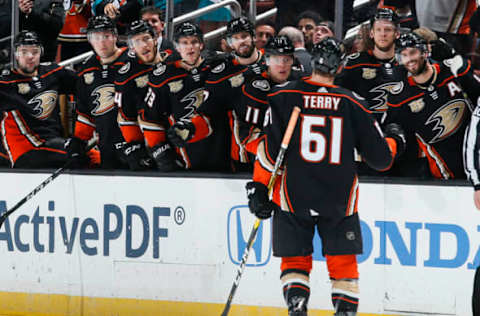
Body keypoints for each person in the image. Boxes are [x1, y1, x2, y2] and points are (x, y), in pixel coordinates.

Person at [245, 37, 400, 316]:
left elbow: (268, 156)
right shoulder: (354, 103)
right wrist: (395, 141)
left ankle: (297, 308)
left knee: (295, 262)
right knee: (343, 264)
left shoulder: (283, 97)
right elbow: (381, 160)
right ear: (339, 67)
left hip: (293, 195)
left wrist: (258, 188)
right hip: (339, 197)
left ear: (310, 62)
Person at [169, 17, 265, 172]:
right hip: (243, 156)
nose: (241, 41)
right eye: (235, 38)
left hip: (281, 146)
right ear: (229, 42)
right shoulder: (220, 73)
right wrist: (191, 128)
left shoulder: (276, 61)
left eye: (244, 36)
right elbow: (208, 112)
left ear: (253, 36)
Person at [387, 32, 480, 179]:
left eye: (413, 52)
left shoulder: (452, 70)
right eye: (404, 55)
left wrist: (462, 69)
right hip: (444, 172)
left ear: (425, 51)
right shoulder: (398, 97)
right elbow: (397, 132)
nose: (410, 59)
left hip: (475, 153)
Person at [141, 22, 218, 171]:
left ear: (201, 45)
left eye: (194, 42)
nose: (190, 47)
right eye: (184, 43)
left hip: (219, 146)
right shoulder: (164, 76)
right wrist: (159, 150)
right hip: (185, 152)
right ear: (176, 47)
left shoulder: (216, 68)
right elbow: (150, 117)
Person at [0, 30, 77, 168]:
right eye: (24, 52)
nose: (30, 56)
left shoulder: (52, 73)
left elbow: (85, 86)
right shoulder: (6, 83)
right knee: (77, 155)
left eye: (34, 52)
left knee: (95, 157)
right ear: (16, 54)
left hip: (54, 143)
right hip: (27, 150)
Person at [68, 15, 129, 169]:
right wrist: (79, 141)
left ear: (115, 36)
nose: (101, 42)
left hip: (136, 144)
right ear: (89, 40)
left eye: (106, 36)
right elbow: (85, 113)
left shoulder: (134, 60)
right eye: (96, 37)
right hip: (107, 145)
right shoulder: (86, 70)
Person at [115, 19, 173, 171]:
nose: (143, 45)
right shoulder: (126, 76)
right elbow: (125, 117)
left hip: (179, 132)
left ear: (155, 40)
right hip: (150, 140)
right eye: (137, 41)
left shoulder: (174, 61)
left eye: (146, 38)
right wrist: (136, 146)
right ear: (132, 47)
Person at [335, 8, 401, 122]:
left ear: (397, 34)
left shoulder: (407, 64)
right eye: (378, 30)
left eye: (388, 30)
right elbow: (339, 95)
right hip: (364, 128)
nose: (383, 34)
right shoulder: (354, 63)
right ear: (371, 33)